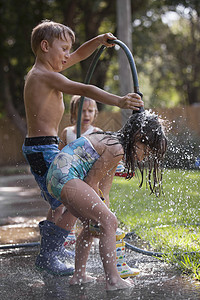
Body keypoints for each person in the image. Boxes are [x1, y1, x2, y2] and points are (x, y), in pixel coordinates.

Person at [22, 19, 144, 276]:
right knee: (65, 203)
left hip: (46, 146)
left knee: (70, 202)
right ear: (45, 46)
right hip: (42, 149)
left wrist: (98, 41)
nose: (68, 55)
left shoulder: (48, 69)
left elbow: (79, 54)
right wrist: (119, 101)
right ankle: (49, 254)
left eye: (69, 50)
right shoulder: (43, 76)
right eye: (63, 49)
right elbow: (84, 88)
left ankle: (53, 249)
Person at [46, 111, 167, 290]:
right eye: (146, 151)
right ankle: (113, 280)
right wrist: (108, 221)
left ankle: (79, 275)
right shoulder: (116, 148)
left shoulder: (114, 146)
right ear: (139, 137)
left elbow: (104, 190)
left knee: (91, 225)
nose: (145, 157)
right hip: (65, 176)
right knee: (108, 221)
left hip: (58, 177)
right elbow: (91, 182)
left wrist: (105, 216)